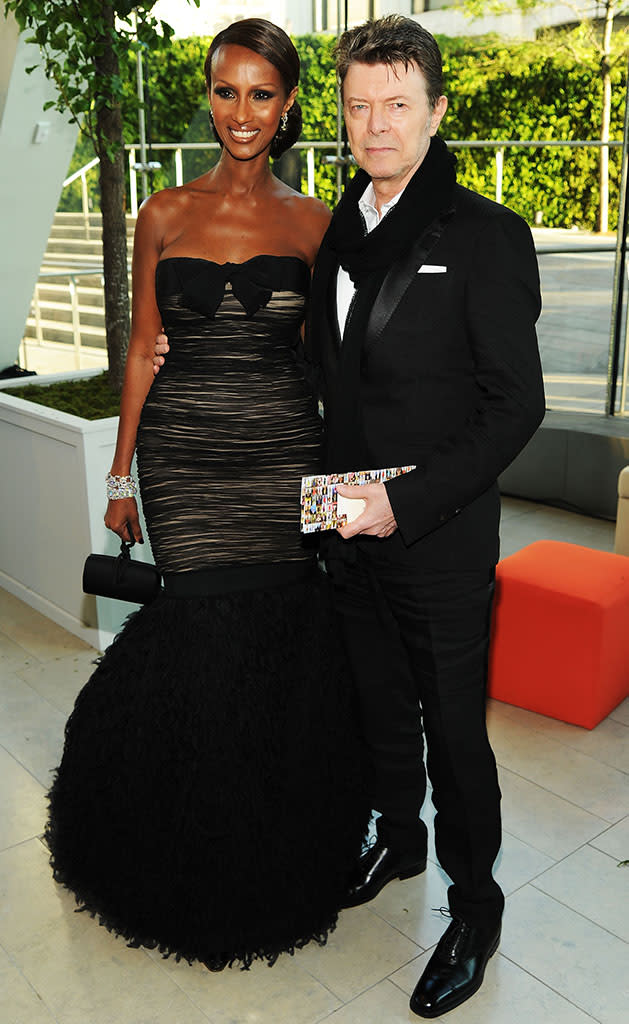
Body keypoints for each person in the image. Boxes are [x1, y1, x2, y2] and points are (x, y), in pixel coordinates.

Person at [153, 14, 545, 1014]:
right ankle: (400, 844)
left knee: (455, 735)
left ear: (434, 112)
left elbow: (515, 407)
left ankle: (475, 902)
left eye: (397, 106)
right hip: (342, 533)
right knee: (379, 713)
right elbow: (326, 387)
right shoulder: (335, 233)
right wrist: (318, 502)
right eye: (360, 106)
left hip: (438, 540)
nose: (376, 126)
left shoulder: (485, 236)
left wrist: (399, 502)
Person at [46, 18, 368, 971]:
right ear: (209, 96)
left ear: (289, 105)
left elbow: (330, 367)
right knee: (198, 640)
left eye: (261, 94)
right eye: (226, 91)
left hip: (282, 456)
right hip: (184, 459)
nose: (241, 112)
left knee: (279, 643)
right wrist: (121, 478)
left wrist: (350, 481)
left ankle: (275, 852)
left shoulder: (318, 222)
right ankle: (180, 849)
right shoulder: (162, 213)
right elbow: (144, 348)